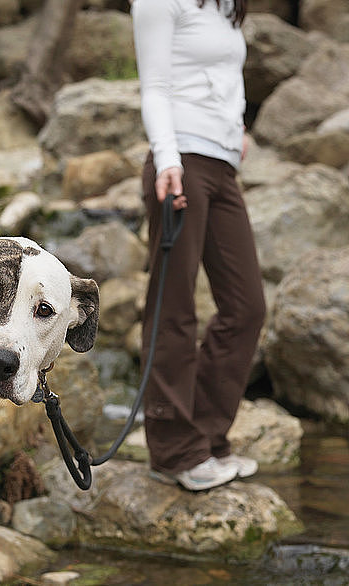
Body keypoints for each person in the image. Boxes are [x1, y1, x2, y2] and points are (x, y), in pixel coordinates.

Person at [131, 0, 266, 490]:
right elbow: (157, 87)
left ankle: (206, 437)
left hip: (222, 165)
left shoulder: (224, 5)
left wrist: (237, 130)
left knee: (247, 306)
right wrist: (167, 158)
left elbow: (223, 76)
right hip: (180, 162)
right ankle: (173, 451)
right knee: (175, 308)